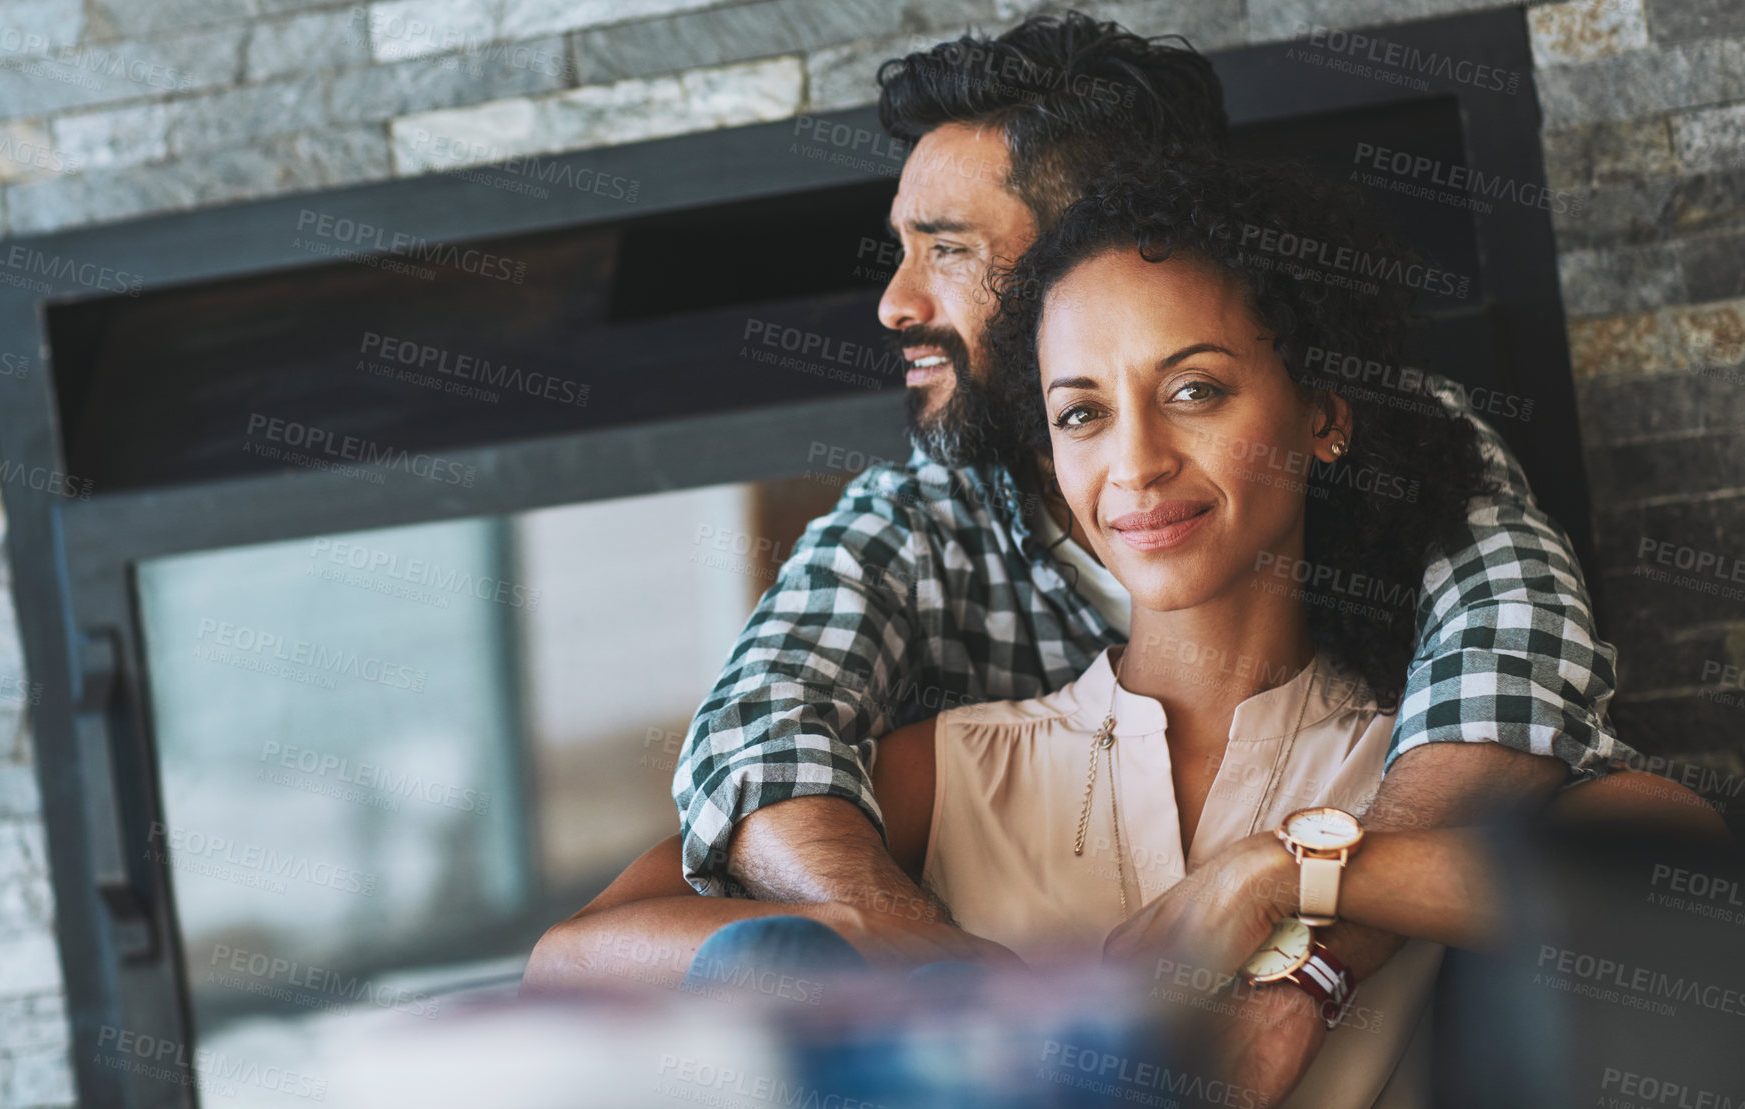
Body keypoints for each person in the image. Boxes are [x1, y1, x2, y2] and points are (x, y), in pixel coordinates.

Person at [527, 156, 1725, 1107]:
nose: (1138, 461)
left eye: (1195, 389)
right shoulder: (959, 767)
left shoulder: (1420, 765)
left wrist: (1285, 881)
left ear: (1323, 415)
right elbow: (571, 961)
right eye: (1083, 413)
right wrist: (853, 938)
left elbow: (1686, 892)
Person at [674, 9, 1629, 1087]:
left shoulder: (1406, 453)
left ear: (1103, 233)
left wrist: (1303, 941)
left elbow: (1520, 672)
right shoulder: (920, 531)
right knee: (760, 959)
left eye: (945, 251)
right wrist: (924, 959)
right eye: (1081, 414)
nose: (895, 302)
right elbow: (752, 736)